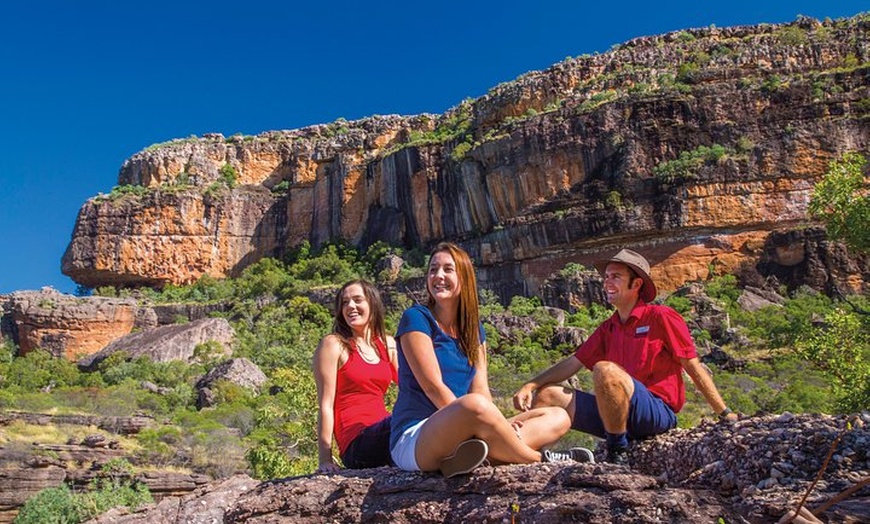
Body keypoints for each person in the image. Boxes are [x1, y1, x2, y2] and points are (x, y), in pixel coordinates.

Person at [513, 248, 738, 465]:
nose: (607, 282)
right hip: (614, 414)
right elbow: (574, 362)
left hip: (655, 413)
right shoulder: (609, 327)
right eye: (607, 276)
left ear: (636, 283)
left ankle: (617, 450)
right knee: (548, 394)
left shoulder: (660, 317)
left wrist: (724, 412)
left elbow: (692, 365)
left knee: (606, 369)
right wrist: (531, 384)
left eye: (616, 277)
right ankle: (520, 451)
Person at [390, 242, 593, 478]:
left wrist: (496, 426)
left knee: (557, 416)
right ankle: (538, 459)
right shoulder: (416, 318)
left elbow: (481, 388)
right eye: (433, 270)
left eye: (448, 269)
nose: (439, 276)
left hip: (469, 429)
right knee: (473, 405)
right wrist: (489, 427)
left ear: (464, 277)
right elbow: (433, 387)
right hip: (417, 436)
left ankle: (470, 456)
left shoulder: (474, 330)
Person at [314, 279, 398, 473]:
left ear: (372, 304)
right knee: (402, 421)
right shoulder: (334, 345)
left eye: (357, 300)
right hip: (357, 443)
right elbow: (326, 405)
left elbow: (414, 386)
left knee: (420, 413)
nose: (350, 306)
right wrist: (325, 459)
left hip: (387, 433)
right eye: (345, 302)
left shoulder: (387, 345)